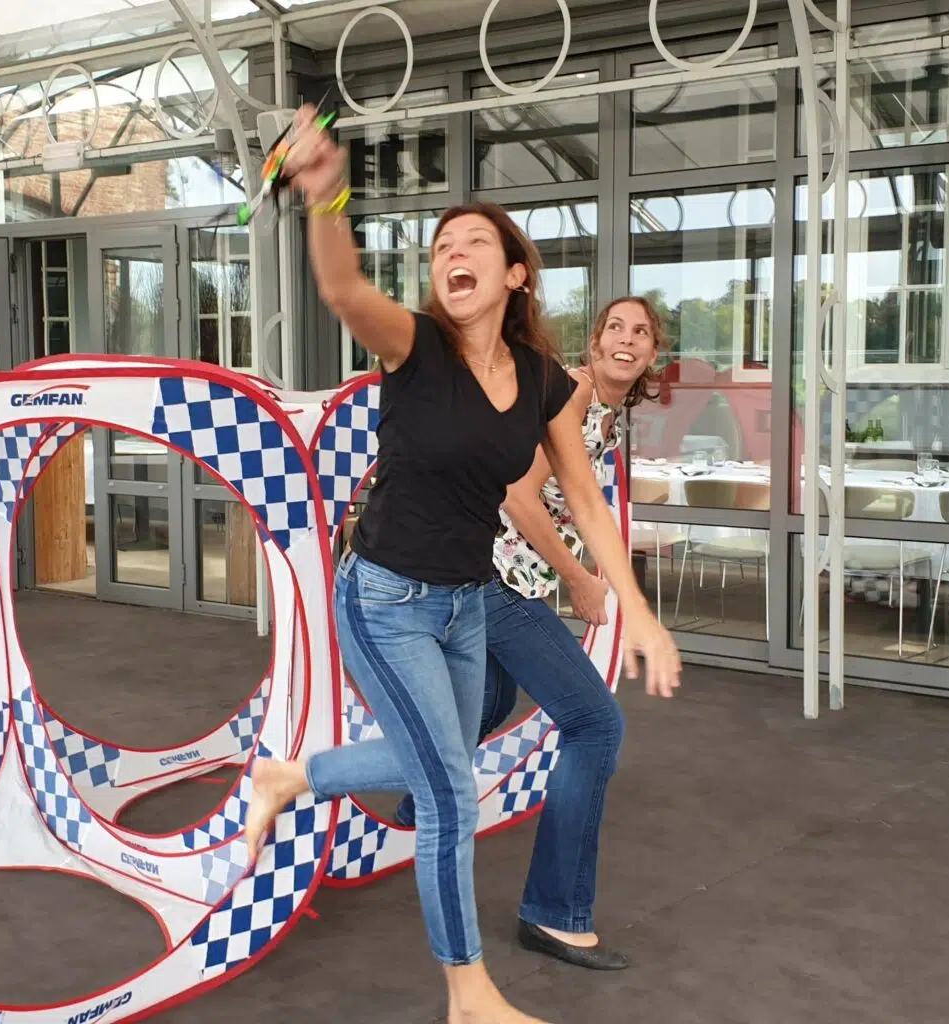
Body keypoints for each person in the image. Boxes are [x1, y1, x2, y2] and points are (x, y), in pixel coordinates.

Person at [242, 105, 681, 1024]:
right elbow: (343, 290)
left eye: (475, 241)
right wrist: (326, 196)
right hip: (384, 596)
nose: (454, 251)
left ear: (514, 273)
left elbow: (586, 502)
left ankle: (290, 777)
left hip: (467, 605)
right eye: (444, 244)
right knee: (449, 790)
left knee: (436, 759)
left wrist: (636, 608)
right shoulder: (415, 346)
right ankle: (469, 992)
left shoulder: (543, 379)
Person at [393, 298, 667, 973]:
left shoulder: (605, 413)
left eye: (640, 333)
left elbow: (572, 502)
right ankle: (554, 913)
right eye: (615, 328)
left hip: (491, 574)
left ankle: (408, 805)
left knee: (484, 704)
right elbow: (517, 494)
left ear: (652, 354)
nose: (626, 340)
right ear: (595, 342)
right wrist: (578, 577)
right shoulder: (573, 395)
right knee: (595, 725)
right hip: (494, 578)